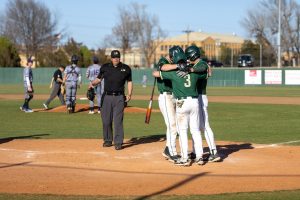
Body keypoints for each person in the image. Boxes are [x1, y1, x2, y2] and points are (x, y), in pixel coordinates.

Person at [153, 46, 208, 166]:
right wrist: (190, 69)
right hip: (192, 101)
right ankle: (199, 156)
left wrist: (178, 68)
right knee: (194, 130)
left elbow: (156, 73)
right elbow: (206, 71)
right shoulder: (192, 69)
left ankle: (184, 158)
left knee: (182, 130)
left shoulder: (174, 73)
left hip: (181, 102)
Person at [90, 50, 132, 150]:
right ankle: (108, 140)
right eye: (114, 57)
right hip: (107, 97)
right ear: (111, 58)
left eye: (117, 57)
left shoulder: (126, 68)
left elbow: (129, 82)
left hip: (119, 97)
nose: (116, 59)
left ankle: (118, 142)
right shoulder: (105, 67)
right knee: (106, 121)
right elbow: (99, 79)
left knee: (118, 121)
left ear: (120, 58)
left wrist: (129, 94)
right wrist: (92, 84)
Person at [185, 45, 221, 162]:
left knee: (204, 126)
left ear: (192, 55)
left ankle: (213, 152)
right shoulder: (194, 64)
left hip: (200, 97)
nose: (187, 58)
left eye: (188, 56)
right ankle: (196, 152)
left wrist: (191, 69)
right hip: (196, 98)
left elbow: (203, 68)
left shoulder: (202, 64)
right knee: (195, 126)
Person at [155, 55, 178, 163]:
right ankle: (170, 151)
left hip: (174, 97)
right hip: (165, 97)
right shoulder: (163, 60)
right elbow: (163, 67)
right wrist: (177, 65)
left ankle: (168, 148)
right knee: (172, 124)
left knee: (174, 125)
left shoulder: (175, 62)